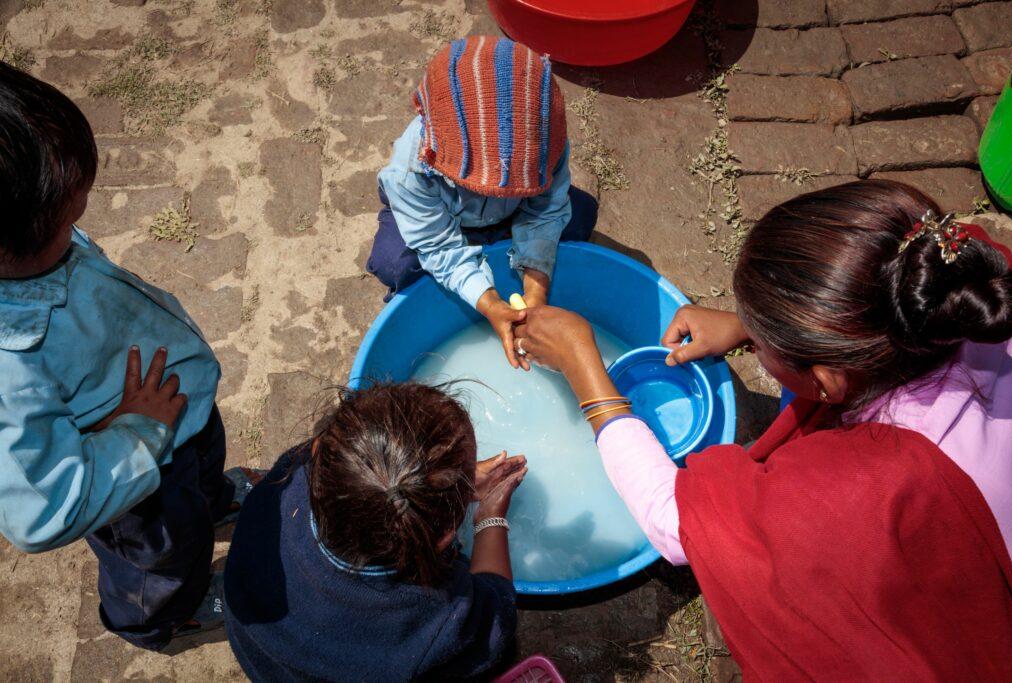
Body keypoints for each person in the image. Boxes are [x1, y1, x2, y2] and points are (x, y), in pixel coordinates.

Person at [512, 180, 1012, 678]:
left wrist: (586, 371)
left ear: (828, 381)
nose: (751, 340)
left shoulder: (866, 491)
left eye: (761, 342)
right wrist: (747, 325)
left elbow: (676, 522)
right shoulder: (960, 279)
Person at [0, 63, 260, 650]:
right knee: (158, 559)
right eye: (64, 228)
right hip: (136, 485)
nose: (78, 235)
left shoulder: (24, 242)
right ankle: (164, 618)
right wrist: (140, 432)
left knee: (199, 478)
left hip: (174, 414)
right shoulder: (6, 370)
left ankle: (215, 502)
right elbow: (44, 510)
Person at [223, 382, 527, 682]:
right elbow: (497, 612)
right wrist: (489, 517)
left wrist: (444, 483)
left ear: (321, 448)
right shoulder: (439, 620)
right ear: (446, 537)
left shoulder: (285, 484)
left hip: (261, 653)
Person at [368, 35, 598, 369]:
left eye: (515, 182)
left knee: (581, 214)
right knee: (395, 263)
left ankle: (500, 246)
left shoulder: (545, 141)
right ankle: (484, 257)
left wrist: (535, 292)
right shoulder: (412, 169)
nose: (492, 191)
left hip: (512, 214)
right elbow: (437, 245)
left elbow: (546, 210)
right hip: (437, 218)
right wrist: (489, 302)